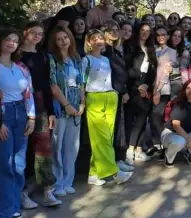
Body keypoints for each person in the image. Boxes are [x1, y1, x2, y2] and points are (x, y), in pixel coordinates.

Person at [0, 29, 37, 218]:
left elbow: (29, 93)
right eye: (8, 39)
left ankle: (14, 206)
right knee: (4, 164)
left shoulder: (21, 67)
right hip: (4, 115)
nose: (11, 43)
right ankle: (2, 212)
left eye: (15, 41)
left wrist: (32, 117)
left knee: (19, 164)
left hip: (21, 114)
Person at [82, 30, 132, 186]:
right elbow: (81, 82)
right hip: (94, 98)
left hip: (110, 97)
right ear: (89, 42)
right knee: (101, 136)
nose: (98, 41)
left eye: (101, 38)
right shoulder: (86, 60)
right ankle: (114, 172)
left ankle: (94, 173)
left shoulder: (105, 59)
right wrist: (82, 101)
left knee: (107, 137)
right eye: (94, 39)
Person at [19, 22, 61, 208]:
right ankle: (22, 191)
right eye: (33, 33)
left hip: (40, 103)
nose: (37, 36)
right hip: (20, 103)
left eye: (40, 33)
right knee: (23, 149)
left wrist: (50, 111)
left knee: (43, 146)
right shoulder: (16, 55)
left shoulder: (43, 56)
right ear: (25, 33)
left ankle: (47, 190)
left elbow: (46, 84)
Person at [48, 26, 85, 197]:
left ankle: (68, 181)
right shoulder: (52, 59)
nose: (63, 41)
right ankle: (58, 183)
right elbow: (53, 85)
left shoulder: (76, 59)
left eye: (65, 37)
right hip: (60, 107)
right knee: (57, 146)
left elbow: (81, 83)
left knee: (72, 146)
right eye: (59, 39)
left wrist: (82, 103)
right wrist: (66, 105)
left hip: (76, 106)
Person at [102, 21, 132, 172]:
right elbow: (113, 74)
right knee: (114, 129)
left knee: (119, 128)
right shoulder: (106, 51)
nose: (114, 32)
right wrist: (123, 90)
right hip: (112, 93)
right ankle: (114, 161)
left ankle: (118, 158)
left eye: (116, 29)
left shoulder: (115, 50)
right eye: (110, 30)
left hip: (118, 93)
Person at [126, 23, 158, 165]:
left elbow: (153, 70)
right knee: (132, 120)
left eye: (147, 31)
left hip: (146, 86)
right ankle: (129, 149)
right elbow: (128, 68)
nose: (145, 33)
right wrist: (138, 86)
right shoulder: (131, 47)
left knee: (142, 118)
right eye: (142, 30)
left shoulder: (151, 49)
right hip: (133, 87)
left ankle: (138, 149)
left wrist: (147, 85)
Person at [151, 26, 177, 158]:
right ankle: (156, 144)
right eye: (158, 34)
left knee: (157, 116)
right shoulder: (152, 50)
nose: (160, 37)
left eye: (163, 34)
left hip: (162, 88)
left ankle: (164, 144)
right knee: (152, 117)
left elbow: (166, 73)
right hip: (149, 87)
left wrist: (157, 90)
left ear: (168, 36)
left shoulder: (171, 52)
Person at [168, 27, 189, 94]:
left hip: (175, 78)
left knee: (177, 84)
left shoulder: (184, 52)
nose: (176, 38)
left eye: (179, 37)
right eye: (174, 35)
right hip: (161, 76)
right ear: (170, 36)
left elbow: (183, 69)